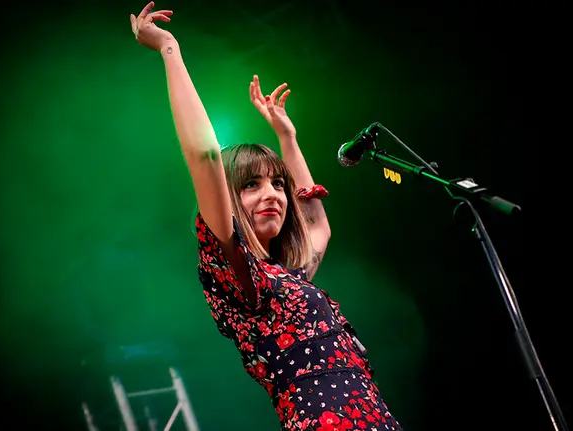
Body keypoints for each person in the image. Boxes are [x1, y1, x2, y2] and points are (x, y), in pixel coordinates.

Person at [129, 3, 404, 430]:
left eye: (277, 183)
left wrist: (287, 137)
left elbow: (317, 225)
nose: (273, 194)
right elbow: (204, 155)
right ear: (229, 199)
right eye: (251, 185)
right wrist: (169, 48)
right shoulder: (242, 277)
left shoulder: (288, 278)